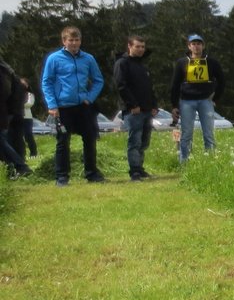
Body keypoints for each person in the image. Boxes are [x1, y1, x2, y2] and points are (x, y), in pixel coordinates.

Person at [40, 26, 105, 186]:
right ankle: (62, 177)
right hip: (63, 107)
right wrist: (52, 105)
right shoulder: (54, 59)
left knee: (90, 139)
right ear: (64, 41)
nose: (74, 43)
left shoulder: (88, 58)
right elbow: (47, 82)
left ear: (80, 41)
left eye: (77, 40)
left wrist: (90, 98)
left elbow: (98, 80)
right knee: (63, 141)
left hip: (83, 106)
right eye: (71, 40)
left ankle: (92, 174)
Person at [169, 34, 225, 162]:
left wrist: (215, 99)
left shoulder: (212, 62)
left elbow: (222, 81)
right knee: (186, 134)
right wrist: (174, 105)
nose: (196, 46)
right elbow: (175, 85)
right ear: (189, 46)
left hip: (206, 101)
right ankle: (184, 163)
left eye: (199, 44)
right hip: (186, 102)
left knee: (208, 134)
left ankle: (210, 162)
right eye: (193, 44)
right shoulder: (181, 63)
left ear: (203, 46)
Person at [113, 35, 158, 181]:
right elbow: (121, 86)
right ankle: (134, 171)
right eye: (137, 46)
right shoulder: (122, 63)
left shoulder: (142, 65)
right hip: (133, 110)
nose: (141, 49)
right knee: (135, 141)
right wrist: (132, 105)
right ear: (129, 46)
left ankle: (140, 167)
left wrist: (154, 105)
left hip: (147, 109)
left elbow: (149, 87)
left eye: (143, 47)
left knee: (144, 142)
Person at [0, 59, 34, 178]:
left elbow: (5, 93)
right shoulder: (7, 70)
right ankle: (12, 169)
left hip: (7, 112)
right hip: (11, 112)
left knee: (5, 141)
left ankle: (20, 166)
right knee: (6, 141)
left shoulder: (4, 71)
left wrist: (11, 112)